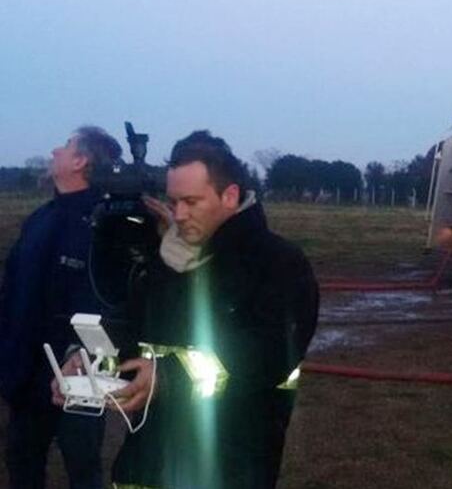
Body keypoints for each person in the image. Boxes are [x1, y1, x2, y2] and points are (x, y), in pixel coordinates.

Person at [104, 130, 319, 488]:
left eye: (192, 201)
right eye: (173, 202)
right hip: (145, 465)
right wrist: (94, 363)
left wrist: (169, 378)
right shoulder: (162, 261)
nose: (180, 214)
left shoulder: (278, 264)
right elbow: (137, 341)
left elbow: (267, 357)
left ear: (230, 195)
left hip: (230, 463)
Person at [0, 126, 121, 489]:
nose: (55, 151)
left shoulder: (106, 227)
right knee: (22, 466)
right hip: (25, 379)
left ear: (80, 161)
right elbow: (15, 293)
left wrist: (78, 356)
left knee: (83, 472)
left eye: (65, 146)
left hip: (77, 378)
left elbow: (111, 306)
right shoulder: (40, 219)